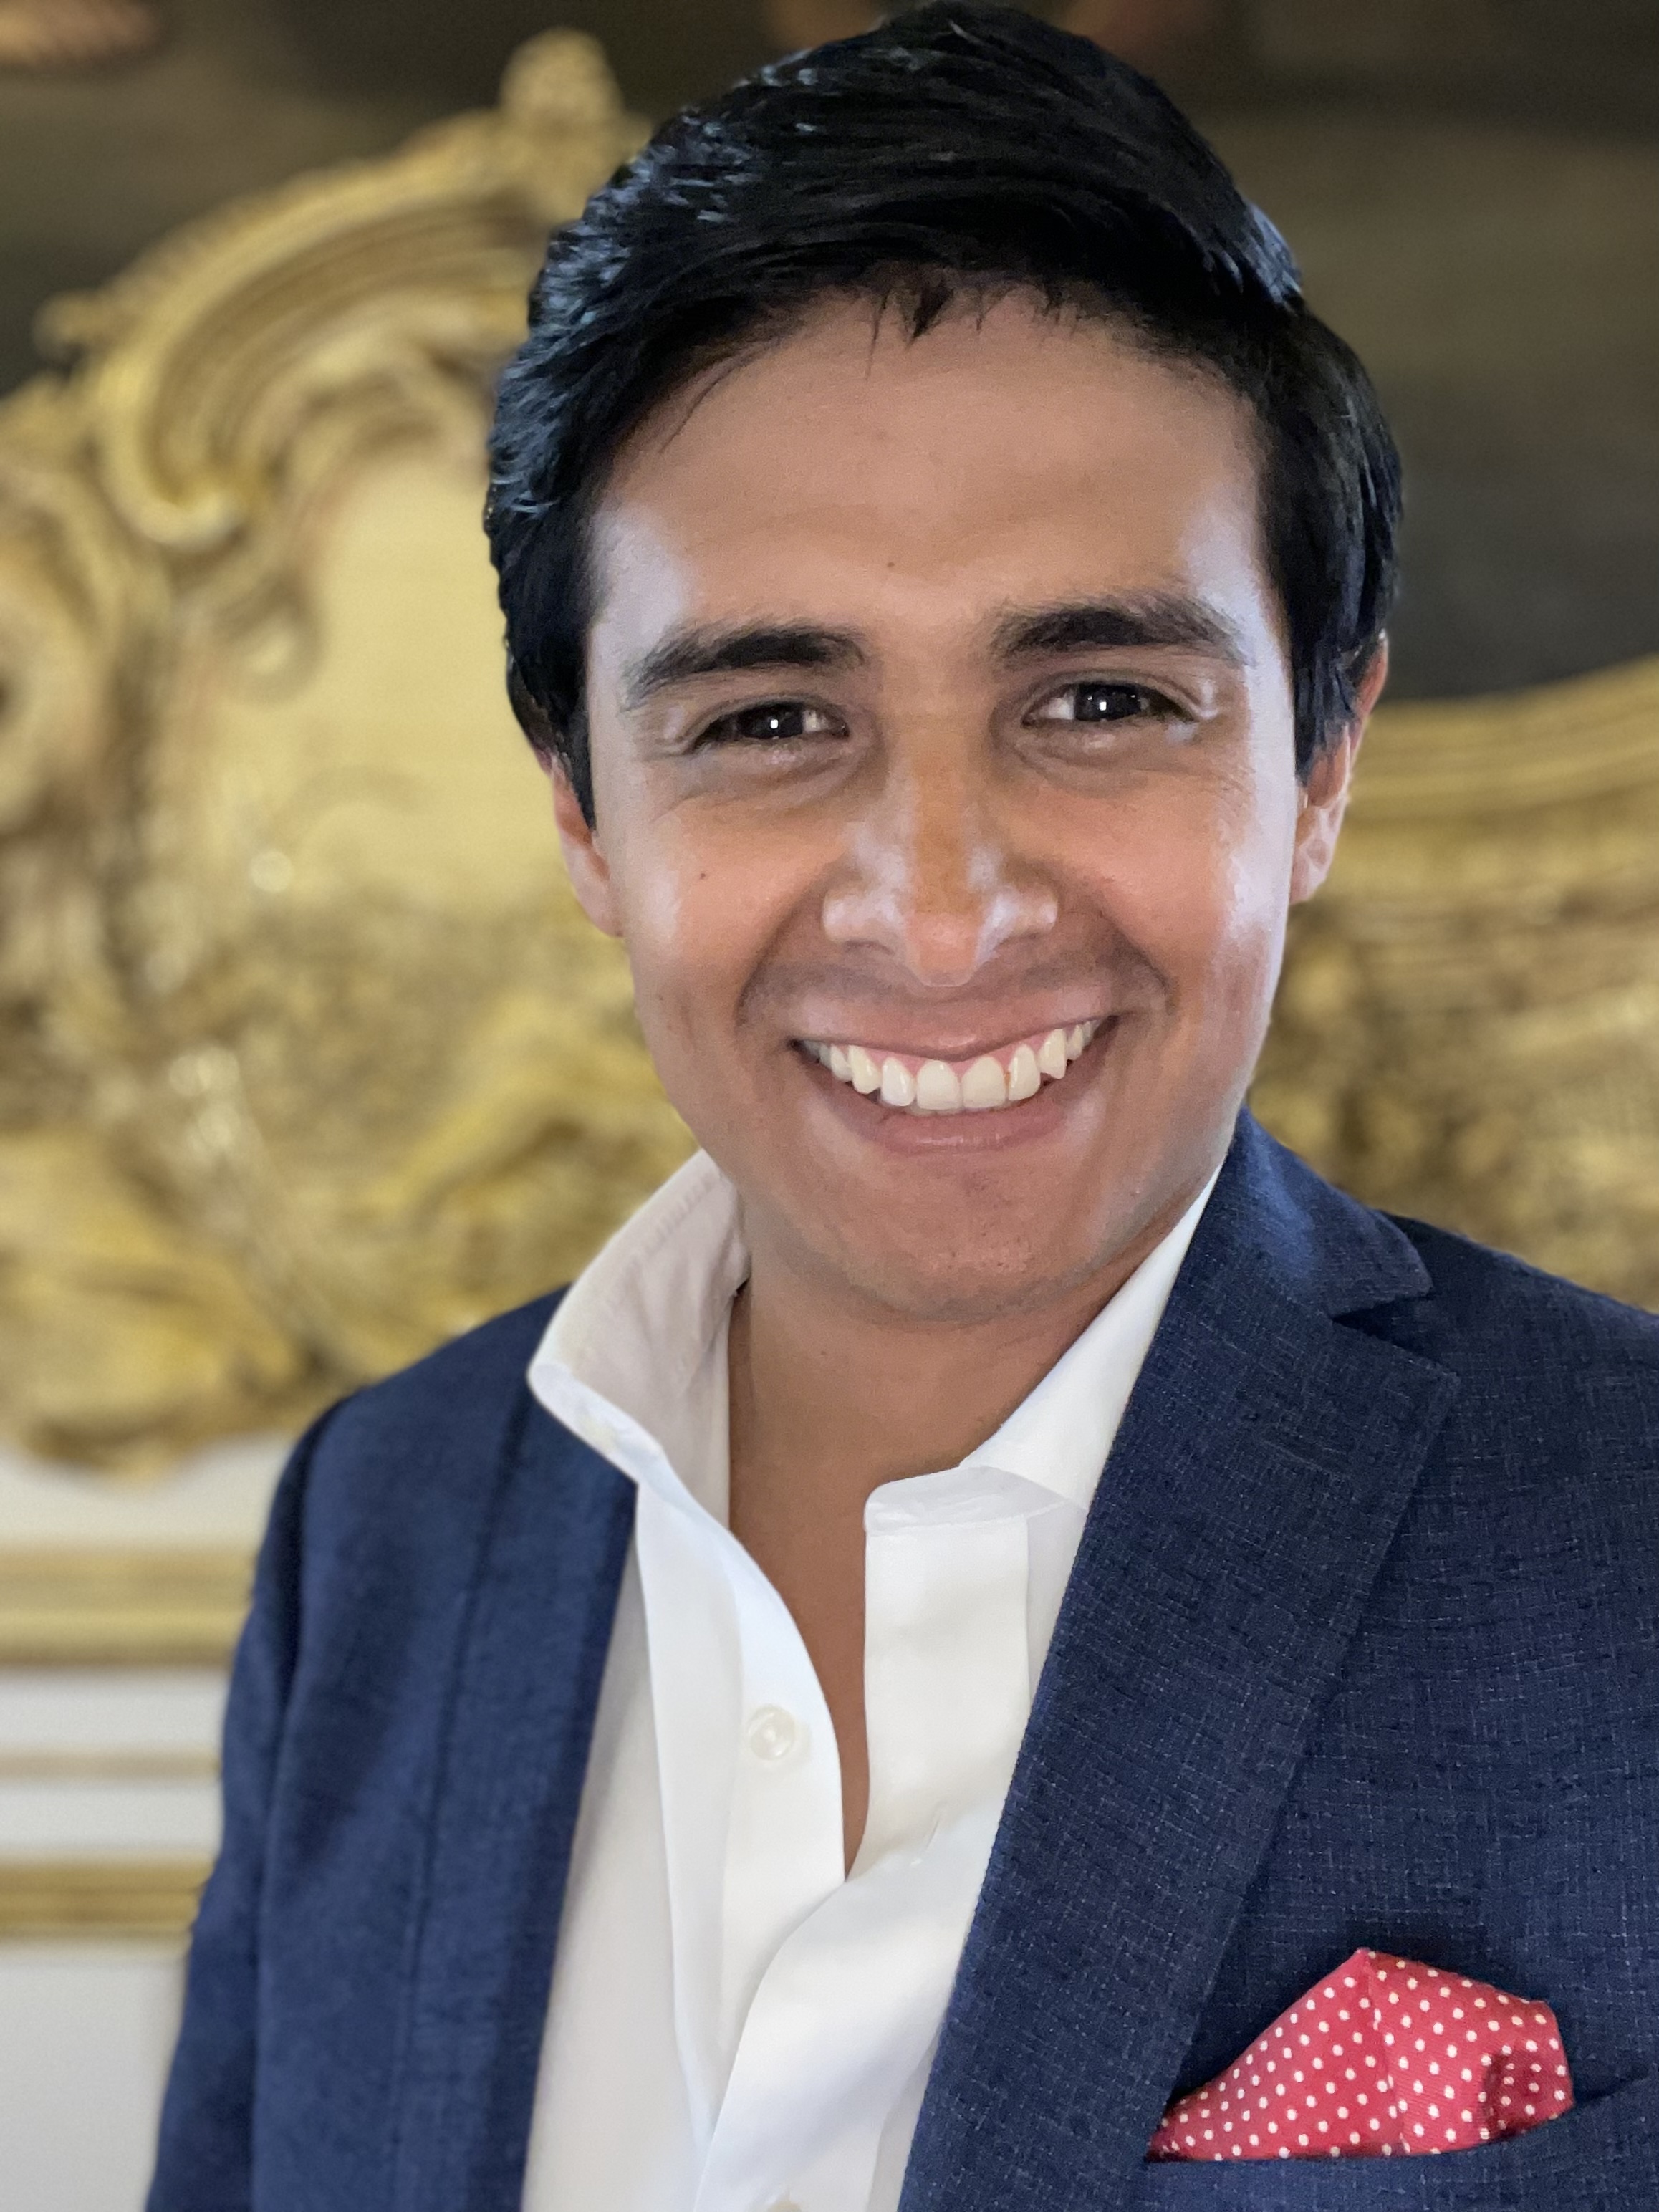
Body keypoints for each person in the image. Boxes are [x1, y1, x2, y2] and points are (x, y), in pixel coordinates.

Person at [147, 6, 1659, 2207]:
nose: (941, 913)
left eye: (1101, 699)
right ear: (583, 813)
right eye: (769, 721)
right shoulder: (380, 1535)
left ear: (1320, 762)